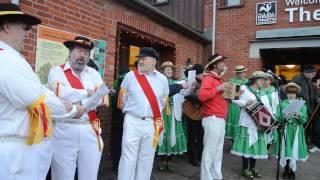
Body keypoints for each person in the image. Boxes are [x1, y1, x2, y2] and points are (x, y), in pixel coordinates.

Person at [0, 3, 85, 180]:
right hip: (15, 156)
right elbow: (37, 99)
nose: (27, 32)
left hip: (18, 150)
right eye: (24, 27)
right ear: (6, 26)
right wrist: (72, 110)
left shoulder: (9, 57)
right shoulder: (5, 59)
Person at [48, 36, 109, 180]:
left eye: (86, 53)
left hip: (90, 128)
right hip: (64, 129)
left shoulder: (94, 74)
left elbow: (101, 98)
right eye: (79, 51)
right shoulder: (56, 72)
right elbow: (59, 93)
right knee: (62, 176)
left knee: (90, 176)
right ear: (70, 52)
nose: (82, 56)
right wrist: (87, 93)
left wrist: (75, 103)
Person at [117, 47, 169, 180]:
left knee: (147, 158)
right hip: (132, 121)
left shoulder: (162, 79)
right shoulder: (130, 76)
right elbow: (123, 98)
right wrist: (131, 112)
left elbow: (163, 102)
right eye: (139, 59)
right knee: (128, 158)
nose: (140, 61)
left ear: (153, 62)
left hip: (151, 123)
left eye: (143, 59)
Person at [231, 71, 272, 179]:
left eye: (265, 80)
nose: (264, 82)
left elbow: (268, 108)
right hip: (247, 122)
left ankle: (253, 167)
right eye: (262, 79)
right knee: (247, 146)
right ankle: (245, 168)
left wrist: (271, 122)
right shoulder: (243, 88)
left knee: (255, 146)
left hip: (259, 124)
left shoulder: (263, 93)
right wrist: (245, 103)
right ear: (255, 79)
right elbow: (232, 98)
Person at [198, 54, 228, 180]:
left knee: (218, 151)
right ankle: (206, 177)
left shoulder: (219, 79)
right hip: (213, 118)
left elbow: (220, 98)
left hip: (219, 119)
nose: (224, 64)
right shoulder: (209, 78)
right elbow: (202, 96)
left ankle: (216, 176)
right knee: (210, 151)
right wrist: (218, 88)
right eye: (221, 62)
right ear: (215, 65)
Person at [157, 61, 188, 172]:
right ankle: (161, 160)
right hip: (162, 113)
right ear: (162, 71)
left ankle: (169, 160)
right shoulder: (159, 82)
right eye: (167, 69)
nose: (169, 71)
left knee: (172, 134)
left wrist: (192, 85)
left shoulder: (177, 82)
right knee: (162, 134)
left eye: (170, 69)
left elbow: (186, 93)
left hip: (173, 112)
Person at [273, 82, 308, 179]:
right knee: (286, 149)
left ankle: (292, 171)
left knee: (294, 150)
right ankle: (286, 169)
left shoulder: (300, 104)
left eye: (293, 93)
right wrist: (284, 117)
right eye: (289, 93)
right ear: (286, 93)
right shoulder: (282, 104)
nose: (291, 95)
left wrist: (299, 115)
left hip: (297, 130)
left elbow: (305, 119)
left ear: (296, 93)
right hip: (286, 130)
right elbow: (278, 118)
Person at [292, 65, 319, 147]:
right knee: (300, 128)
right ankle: (298, 145)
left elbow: (312, 94)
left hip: (307, 109)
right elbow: (292, 91)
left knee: (306, 128)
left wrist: (317, 98)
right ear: (306, 73)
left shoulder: (309, 81)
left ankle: (303, 144)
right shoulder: (297, 79)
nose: (314, 75)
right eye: (313, 74)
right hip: (299, 108)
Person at [183, 63, 205, 167]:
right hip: (191, 111)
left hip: (201, 112)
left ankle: (200, 156)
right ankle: (193, 157)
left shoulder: (204, 82)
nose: (202, 75)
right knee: (192, 136)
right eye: (201, 73)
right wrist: (196, 99)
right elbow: (186, 94)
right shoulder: (192, 81)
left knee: (200, 136)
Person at [225, 65, 248, 140]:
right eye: (240, 73)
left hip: (245, 105)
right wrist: (238, 92)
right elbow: (227, 96)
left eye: (243, 72)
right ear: (236, 74)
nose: (242, 74)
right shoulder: (231, 81)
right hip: (234, 106)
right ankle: (233, 140)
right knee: (235, 121)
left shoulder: (247, 82)